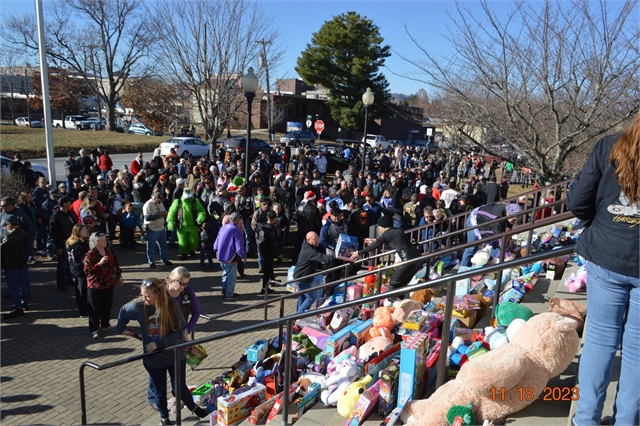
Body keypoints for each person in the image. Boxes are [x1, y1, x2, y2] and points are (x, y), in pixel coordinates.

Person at [567, 115, 639, 426]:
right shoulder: (609, 146)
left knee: (599, 338)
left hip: (606, 254)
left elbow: (578, 201)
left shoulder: (610, 146)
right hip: (614, 253)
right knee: (637, 349)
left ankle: (585, 420)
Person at [116, 278, 208, 426]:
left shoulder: (172, 306)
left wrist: (159, 343)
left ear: (158, 295)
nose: (144, 299)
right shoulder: (140, 305)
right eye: (142, 295)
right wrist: (122, 330)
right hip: (153, 359)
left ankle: (193, 407)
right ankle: (164, 418)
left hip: (174, 356)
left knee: (179, 387)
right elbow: (123, 311)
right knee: (159, 390)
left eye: (148, 296)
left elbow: (179, 333)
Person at [349, 214, 422, 298]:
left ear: (382, 226)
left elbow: (374, 246)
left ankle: (391, 302)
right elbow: (390, 240)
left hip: (408, 260)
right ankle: (400, 303)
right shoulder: (397, 231)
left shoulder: (387, 234)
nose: (378, 229)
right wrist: (375, 240)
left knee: (393, 282)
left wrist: (359, 253)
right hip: (417, 258)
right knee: (402, 283)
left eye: (378, 226)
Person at [83, 232, 123, 339]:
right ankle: (94, 328)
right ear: (96, 242)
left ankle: (105, 324)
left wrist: (119, 276)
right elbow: (87, 270)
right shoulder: (90, 254)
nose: (105, 241)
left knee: (107, 305)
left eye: (105, 239)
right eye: (102, 240)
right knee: (94, 308)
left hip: (108, 283)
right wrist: (99, 263)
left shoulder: (109, 250)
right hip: (95, 285)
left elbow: (116, 264)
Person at [460, 203, 523, 267]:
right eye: (514, 220)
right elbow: (499, 238)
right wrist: (507, 256)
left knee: (496, 246)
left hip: (488, 220)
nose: (515, 222)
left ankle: (488, 267)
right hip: (475, 219)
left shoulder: (507, 213)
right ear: (508, 213)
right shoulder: (497, 218)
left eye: (516, 220)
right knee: (472, 247)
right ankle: (463, 270)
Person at [293, 231, 334, 313]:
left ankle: (297, 319)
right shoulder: (309, 251)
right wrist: (335, 256)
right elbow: (322, 257)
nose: (318, 240)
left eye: (318, 238)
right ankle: (298, 316)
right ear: (308, 240)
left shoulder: (308, 247)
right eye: (315, 239)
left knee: (302, 298)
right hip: (302, 278)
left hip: (302, 277)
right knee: (311, 298)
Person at [0, 215, 30, 319]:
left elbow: (2, 249)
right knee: (23, 284)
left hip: (11, 265)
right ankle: (24, 303)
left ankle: (18, 307)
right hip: (22, 263)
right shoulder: (24, 233)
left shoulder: (11, 237)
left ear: (9, 224)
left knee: (14, 287)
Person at [213, 212, 247, 300]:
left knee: (225, 273)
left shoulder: (223, 227)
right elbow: (239, 247)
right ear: (238, 220)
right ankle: (229, 294)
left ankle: (224, 289)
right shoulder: (236, 230)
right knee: (231, 276)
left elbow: (217, 240)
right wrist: (243, 256)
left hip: (221, 255)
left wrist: (216, 250)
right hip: (230, 256)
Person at [167, 188, 206, 260]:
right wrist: (170, 221)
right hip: (182, 226)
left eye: (189, 197)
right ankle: (183, 253)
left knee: (194, 241)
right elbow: (171, 212)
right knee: (182, 241)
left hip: (193, 225)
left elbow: (201, 211)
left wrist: (201, 217)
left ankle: (192, 251)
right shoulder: (177, 202)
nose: (188, 199)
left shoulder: (195, 201)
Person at [50, 196, 78, 292]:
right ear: (64, 204)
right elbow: (54, 233)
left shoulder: (70, 214)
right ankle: (60, 283)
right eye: (69, 202)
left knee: (70, 262)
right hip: (62, 243)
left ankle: (69, 279)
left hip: (71, 242)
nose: (71, 203)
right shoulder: (56, 216)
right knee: (62, 264)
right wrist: (57, 246)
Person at [143, 192, 173, 269]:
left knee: (163, 246)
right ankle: (151, 262)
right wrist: (159, 215)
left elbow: (163, 211)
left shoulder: (160, 203)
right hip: (152, 228)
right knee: (151, 246)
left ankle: (164, 259)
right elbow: (147, 218)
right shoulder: (147, 205)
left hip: (161, 228)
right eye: (158, 200)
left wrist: (166, 214)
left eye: (160, 200)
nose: (159, 202)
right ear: (154, 198)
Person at [66, 224, 90, 317]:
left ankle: (82, 308)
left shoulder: (70, 242)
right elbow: (84, 260)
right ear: (78, 232)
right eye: (84, 230)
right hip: (81, 270)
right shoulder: (81, 245)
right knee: (82, 290)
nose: (86, 231)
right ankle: (83, 310)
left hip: (74, 268)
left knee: (79, 288)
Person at [257, 211, 281, 294]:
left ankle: (272, 281)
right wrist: (278, 253)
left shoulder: (262, 227)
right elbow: (274, 243)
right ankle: (264, 288)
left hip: (263, 250)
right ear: (274, 219)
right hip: (268, 252)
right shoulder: (271, 230)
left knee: (269, 267)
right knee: (267, 270)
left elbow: (259, 240)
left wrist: (259, 249)